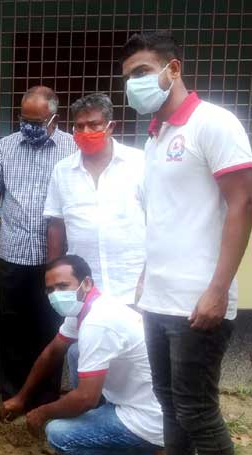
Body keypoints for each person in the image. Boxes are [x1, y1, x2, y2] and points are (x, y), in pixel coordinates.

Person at [121, 31, 252, 454]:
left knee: (197, 409)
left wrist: (218, 290)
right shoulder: (154, 138)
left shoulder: (214, 123)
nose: (133, 83)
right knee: (170, 406)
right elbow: (164, 216)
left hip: (198, 303)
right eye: (128, 76)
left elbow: (243, 203)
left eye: (142, 71)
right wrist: (145, 277)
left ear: (172, 68)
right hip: (157, 300)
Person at [0, 255, 164, 454]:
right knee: (75, 351)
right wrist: (21, 398)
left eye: (62, 286)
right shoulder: (86, 308)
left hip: (147, 421)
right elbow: (52, 352)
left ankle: (144, 448)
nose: (55, 294)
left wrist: (42, 413)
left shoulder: (97, 322)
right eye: (50, 290)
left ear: (86, 283)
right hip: (136, 400)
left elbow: (86, 398)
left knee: (58, 433)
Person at [0, 86, 78, 407]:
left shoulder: (72, 148)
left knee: (50, 330)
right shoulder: (5, 147)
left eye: (37, 120)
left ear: (54, 118)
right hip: (13, 256)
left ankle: (46, 401)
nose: (30, 126)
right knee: (12, 329)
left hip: (55, 261)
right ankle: (11, 396)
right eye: (24, 119)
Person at [43, 92, 147, 388]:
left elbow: (158, 223)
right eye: (79, 126)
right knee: (82, 354)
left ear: (111, 126)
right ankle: (89, 415)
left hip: (134, 288)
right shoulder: (63, 172)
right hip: (88, 292)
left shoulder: (140, 165)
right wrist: (54, 274)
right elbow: (56, 226)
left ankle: (128, 419)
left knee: (136, 359)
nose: (86, 132)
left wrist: (148, 275)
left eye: (94, 125)